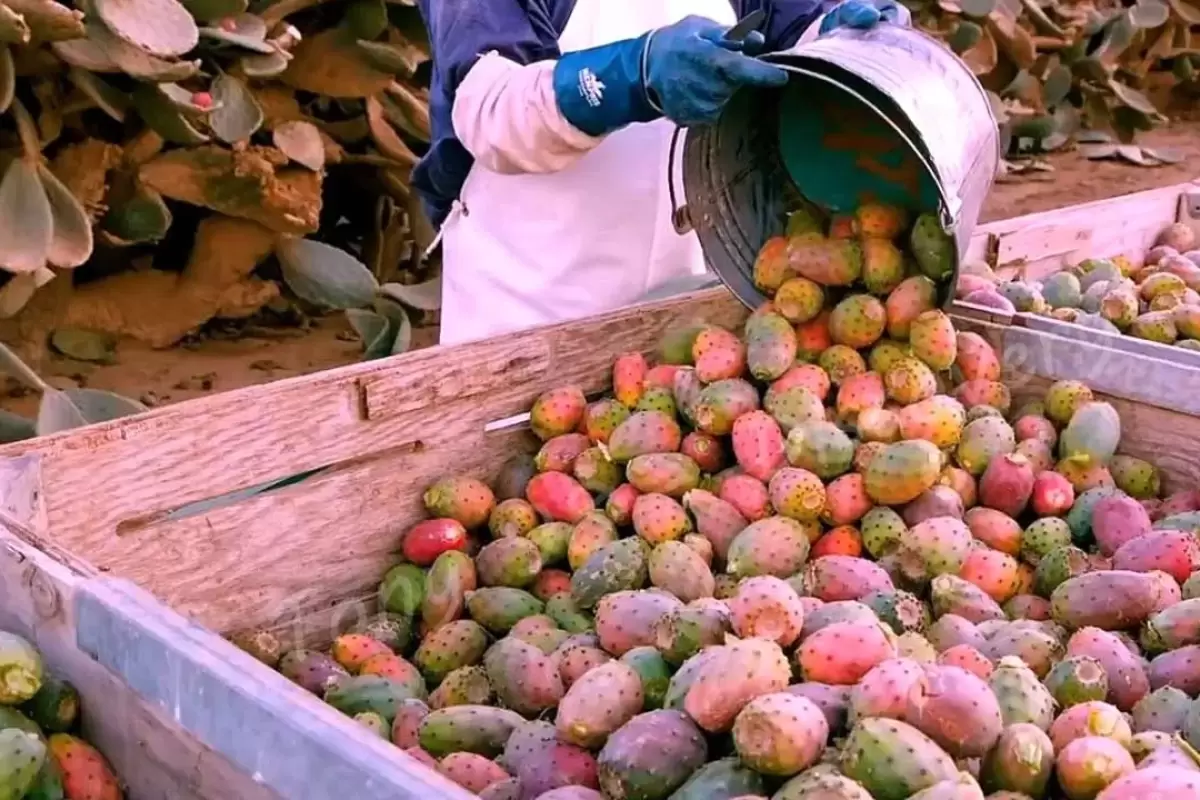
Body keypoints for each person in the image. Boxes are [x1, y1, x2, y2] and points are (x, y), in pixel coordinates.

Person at [415, 0, 912, 346]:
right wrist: (630, 75)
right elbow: (492, 108)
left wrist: (841, 37)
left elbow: (793, 24)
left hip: (698, 302)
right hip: (535, 310)